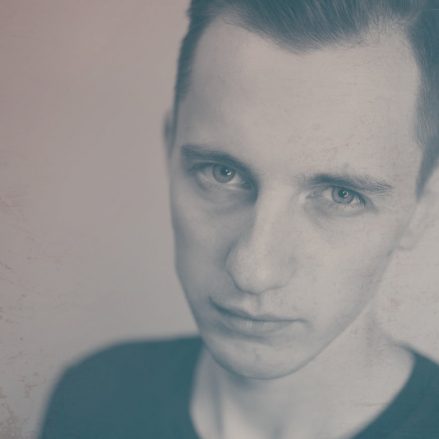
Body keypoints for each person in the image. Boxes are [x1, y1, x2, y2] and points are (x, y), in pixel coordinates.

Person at [39, 1, 439, 438]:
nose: (253, 271)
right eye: (222, 173)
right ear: (169, 151)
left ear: (422, 206)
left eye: (341, 195)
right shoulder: (94, 400)